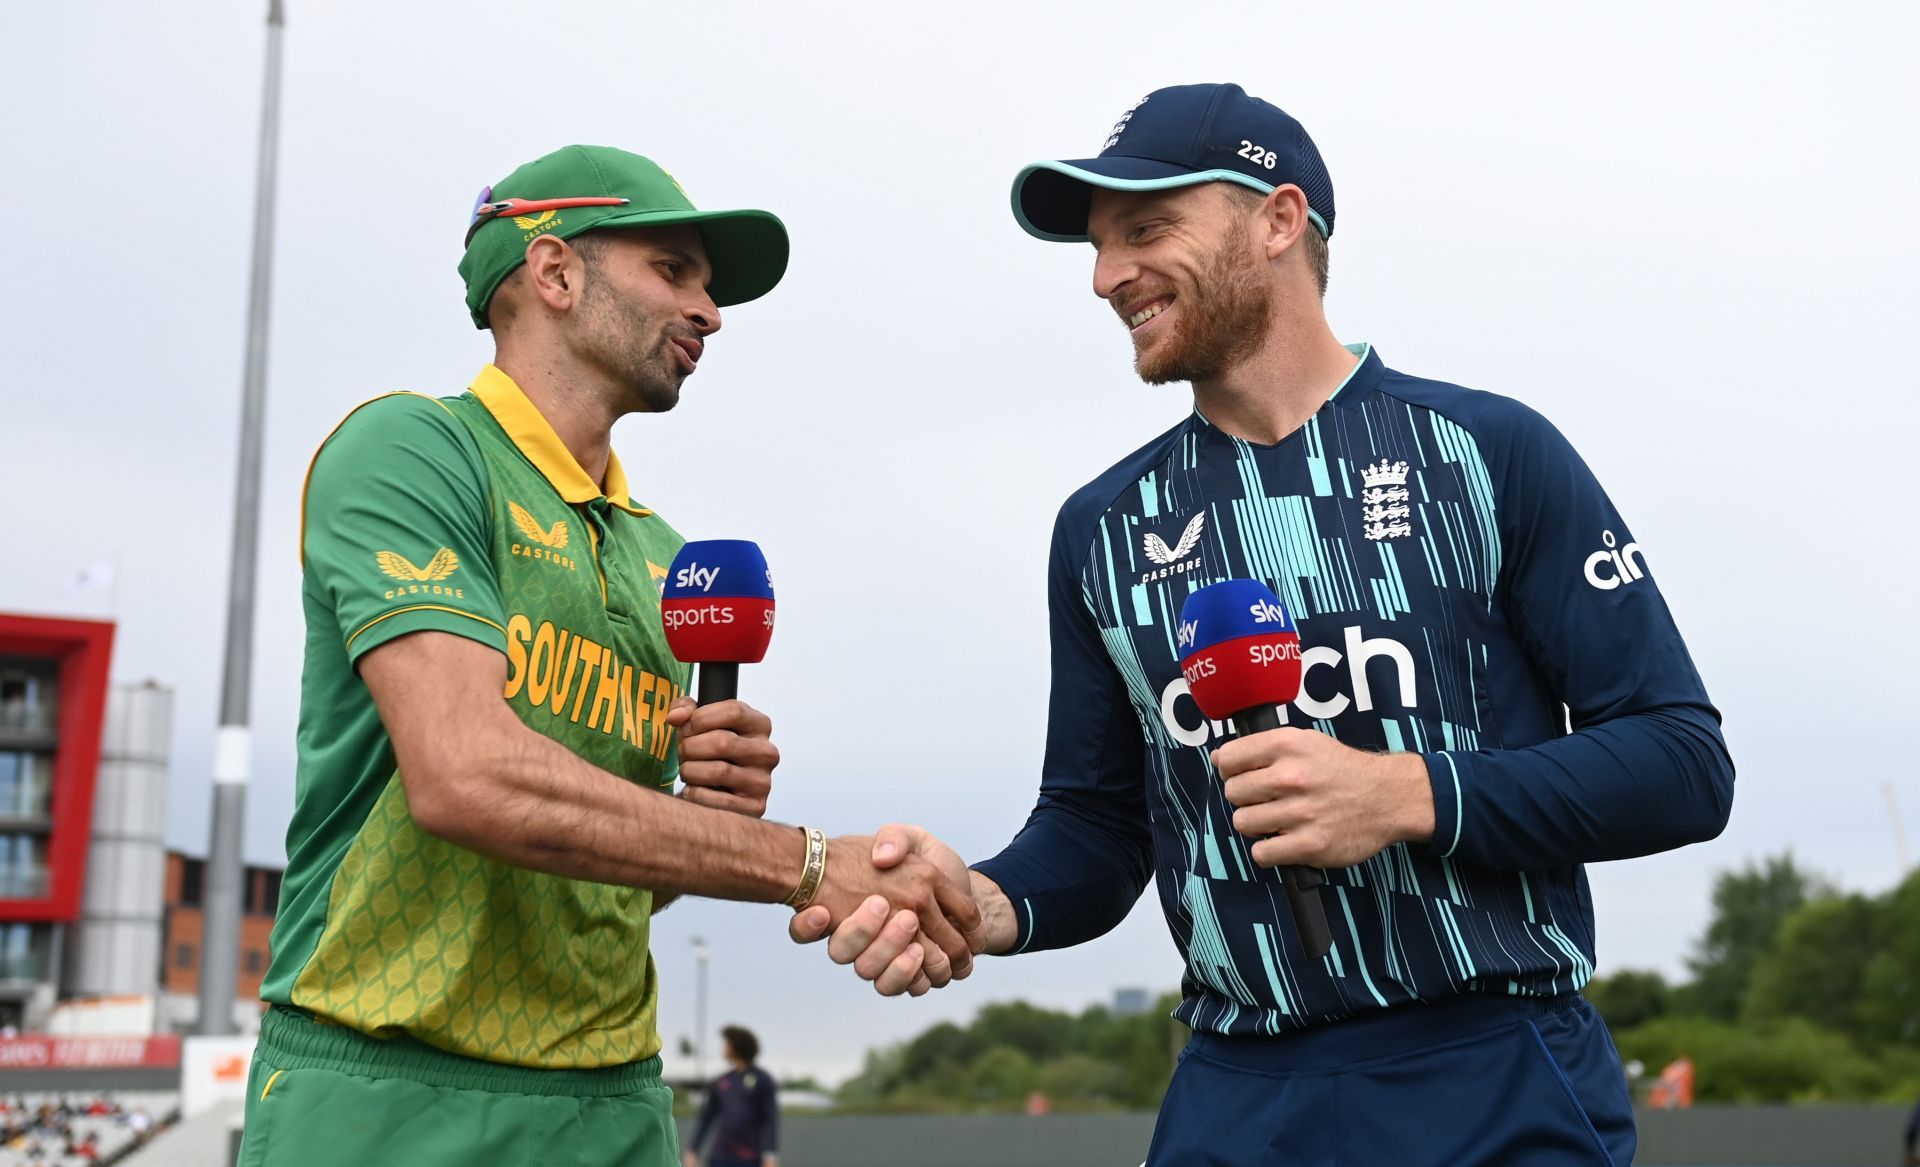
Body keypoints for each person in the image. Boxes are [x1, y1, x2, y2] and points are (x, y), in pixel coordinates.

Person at [795, 84, 1734, 1166]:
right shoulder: (1102, 527)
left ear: (1280, 221)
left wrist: (1408, 794)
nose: (1107, 278)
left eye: (1146, 231)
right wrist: (993, 903)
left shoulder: (1492, 451)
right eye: (1098, 249)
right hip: (1236, 1094)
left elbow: (1682, 761)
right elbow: (1099, 827)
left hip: (1496, 1072)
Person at [240, 144, 978, 1167]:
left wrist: (702, 813)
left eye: (709, 289)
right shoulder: (412, 450)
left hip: (614, 1102)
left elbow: (609, 887)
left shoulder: (665, 556)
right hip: (388, 1087)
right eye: (673, 272)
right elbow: (465, 779)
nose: (710, 314)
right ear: (553, 275)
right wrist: (809, 864)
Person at [683, 1026, 779, 1167]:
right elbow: (706, 1119)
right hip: (721, 1157)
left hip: (750, 1158)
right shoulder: (721, 1081)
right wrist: (693, 1150)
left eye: (727, 1043)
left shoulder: (763, 1080)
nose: (723, 1048)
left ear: (737, 1046)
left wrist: (770, 1156)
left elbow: (770, 1120)